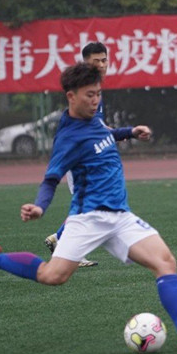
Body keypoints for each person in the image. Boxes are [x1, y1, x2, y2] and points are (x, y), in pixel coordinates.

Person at [0, 62, 177, 349]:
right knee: (52, 275)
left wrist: (130, 132)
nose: (95, 101)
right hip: (89, 218)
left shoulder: (93, 119)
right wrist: (40, 207)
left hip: (120, 216)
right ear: (71, 96)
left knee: (165, 262)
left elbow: (105, 135)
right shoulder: (68, 138)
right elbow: (51, 178)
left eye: (98, 94)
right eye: (89, 95)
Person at [44, 41, 113, 268]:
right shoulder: (83, 89)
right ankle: (67, 248)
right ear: (85, 63)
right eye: (96, 61)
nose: (102, 64)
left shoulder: (94, 87)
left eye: (104, 60)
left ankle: (60, 239)